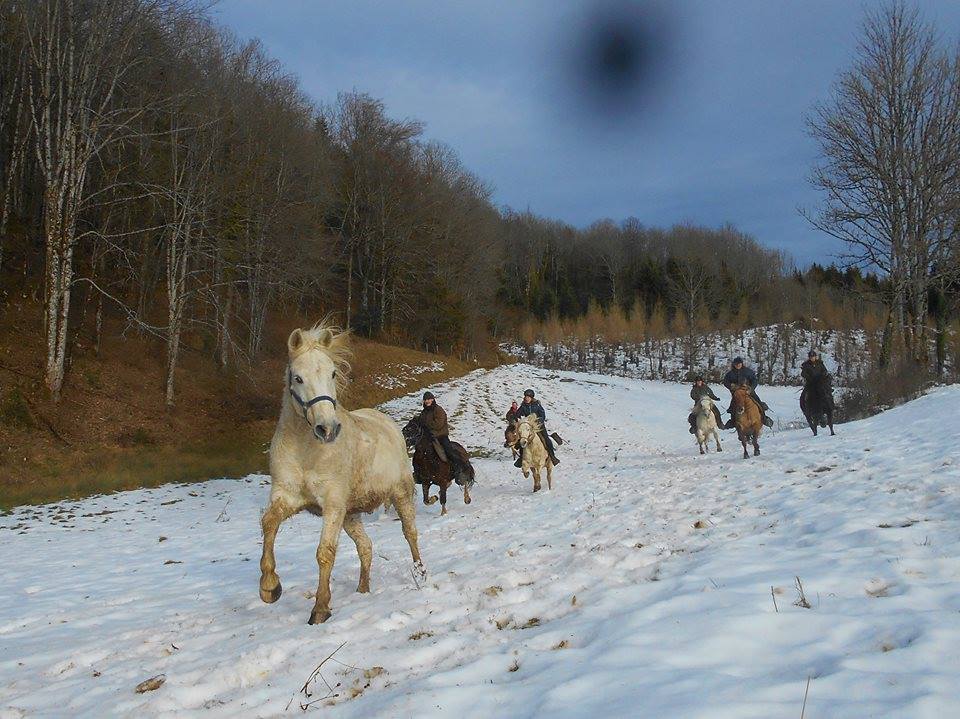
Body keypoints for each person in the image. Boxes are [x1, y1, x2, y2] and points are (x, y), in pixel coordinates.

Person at [418, 392, 469, 478]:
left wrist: (426, 424)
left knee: (448, 450)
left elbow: (439, 424)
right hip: (429, 436)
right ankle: (419, 472)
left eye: (429, 399)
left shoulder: (438, 410)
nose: (427, 401)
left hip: (441, 435)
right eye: (425, 399)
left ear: (433, 399)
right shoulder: (424, 412)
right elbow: (421, 421)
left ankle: (458, 468)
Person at [722, 357, 774, 429]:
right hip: (737, 393)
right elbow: (725, 382)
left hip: (748, 392)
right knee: (733, 406)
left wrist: (751, 388)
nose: (738, 365)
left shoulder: (748, 371)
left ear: (742, 364)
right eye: (736, 364)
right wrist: (731, 386)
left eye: (739, 364)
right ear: (734, 364)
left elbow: (754, 380)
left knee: (758, 401)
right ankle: (733, 421)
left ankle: (764, 418)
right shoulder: (730, 374)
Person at [514, 388, 560, 467]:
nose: (527, 398)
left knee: (546, 439)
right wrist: (515, 418)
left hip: (539, 426)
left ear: (531, 398)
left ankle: (552, 457)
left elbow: (543, 415)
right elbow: (517, 414)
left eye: (528, 397)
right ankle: (521, 458)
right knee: (522, 440)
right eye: (526, 397)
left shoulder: (537, 405)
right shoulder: (523, 406)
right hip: (528, 427)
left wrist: (539, 420)